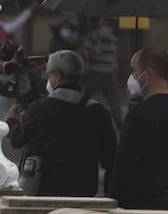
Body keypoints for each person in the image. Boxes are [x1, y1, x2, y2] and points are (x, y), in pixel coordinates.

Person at [6, 49, 117, 197]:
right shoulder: (99, 112)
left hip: (45, 193)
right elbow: (111, 160)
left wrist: (12, 120)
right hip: (84, 194)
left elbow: (17, 140)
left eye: (48, 74)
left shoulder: (39, 108)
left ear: (57, 77)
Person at [108, 47, 168, 209]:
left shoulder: (140, 114)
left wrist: (113, 203)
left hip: (136, 206)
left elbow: (124, 168)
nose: (131, 78)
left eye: (134, 70)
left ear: (149, 73)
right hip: (166, 203)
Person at [81, 17, 124, 132]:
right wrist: (94, 52)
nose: (106, 25)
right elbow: (86, 55)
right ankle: (77, 118)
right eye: (104, 22)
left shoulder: (113, 39)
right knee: (84, 96)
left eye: (108, 23)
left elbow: (114, 56)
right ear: (99, 23)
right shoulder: (91, 38)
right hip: (94, 73)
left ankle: (119, 124)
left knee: (114, 100)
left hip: (109, 74)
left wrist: (115, 69)